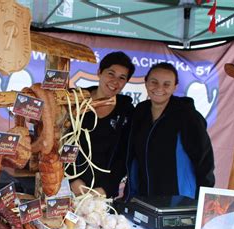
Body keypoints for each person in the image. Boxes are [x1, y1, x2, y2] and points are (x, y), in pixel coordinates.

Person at [125, 62, 215, 200]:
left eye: (166, 84)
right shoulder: (140, 112)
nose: (159, 88)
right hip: (143, 198)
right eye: (154, 82)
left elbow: (204, 162)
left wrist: (203, 200)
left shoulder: (188, 116)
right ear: (146, 82)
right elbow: (133, 157)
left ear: (175, 87)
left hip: (178, 200)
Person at [70, 51, 135, 197]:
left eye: (122, 77)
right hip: (69, 185)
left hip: (102, 193)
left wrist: (106, 188)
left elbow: (124, 155)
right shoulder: (75, 100)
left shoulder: (127, 111)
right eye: (111, 74)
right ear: (99, 72)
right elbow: (62, 142)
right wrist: (72, 179)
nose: (115, 81)